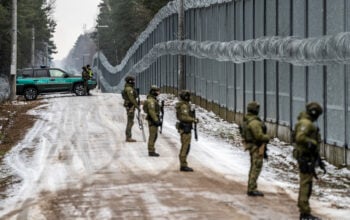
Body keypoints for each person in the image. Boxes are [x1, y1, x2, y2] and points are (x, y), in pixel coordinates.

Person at [293, 102, 324, 220]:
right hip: (305, 157)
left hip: (307, 157)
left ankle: (304, 210)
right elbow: (300, 137)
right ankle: (305, 213)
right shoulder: (306, 123)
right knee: (306, 184)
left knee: (306, 184)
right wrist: (312, 142)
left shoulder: (306, 122)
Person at [242, 101, 270, 197]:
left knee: (253, 166)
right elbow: (259, 136)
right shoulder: (254, 122)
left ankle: (251, 186)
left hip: (252, 145)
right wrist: (267, 137)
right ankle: (252, 188)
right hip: (256, 146)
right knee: (256, 166)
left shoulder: (248, 120)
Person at [175, 90, 198, 172]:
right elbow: (184, 117)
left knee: (186, 146)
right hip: (185, 128)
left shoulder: (185, 105)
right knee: (185, 147)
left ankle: (183, 164)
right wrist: (193, 119)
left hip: (185, 127)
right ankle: (183, 165)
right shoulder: (184, 106)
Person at [144, 85, 162, 157]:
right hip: (152, 120)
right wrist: (156, 120)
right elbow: (151, 111)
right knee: (153, 135)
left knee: (155, 135)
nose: (158, 92)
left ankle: (152, 149)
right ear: (153, 92)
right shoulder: (151, 101)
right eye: (157, 91)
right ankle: (151, 150)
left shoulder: (153, 99)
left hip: (153, 119)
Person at [122, 75, 140, 142]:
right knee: (130, 121)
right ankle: (128, 137)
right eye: (133, 80)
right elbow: (132, 99)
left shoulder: (129, 88)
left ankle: (128, 136)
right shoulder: (129, 89)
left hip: (130, 105)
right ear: (130, 81)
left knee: (130, 121)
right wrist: (137, 106)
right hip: (130, 106)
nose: (134, 82)